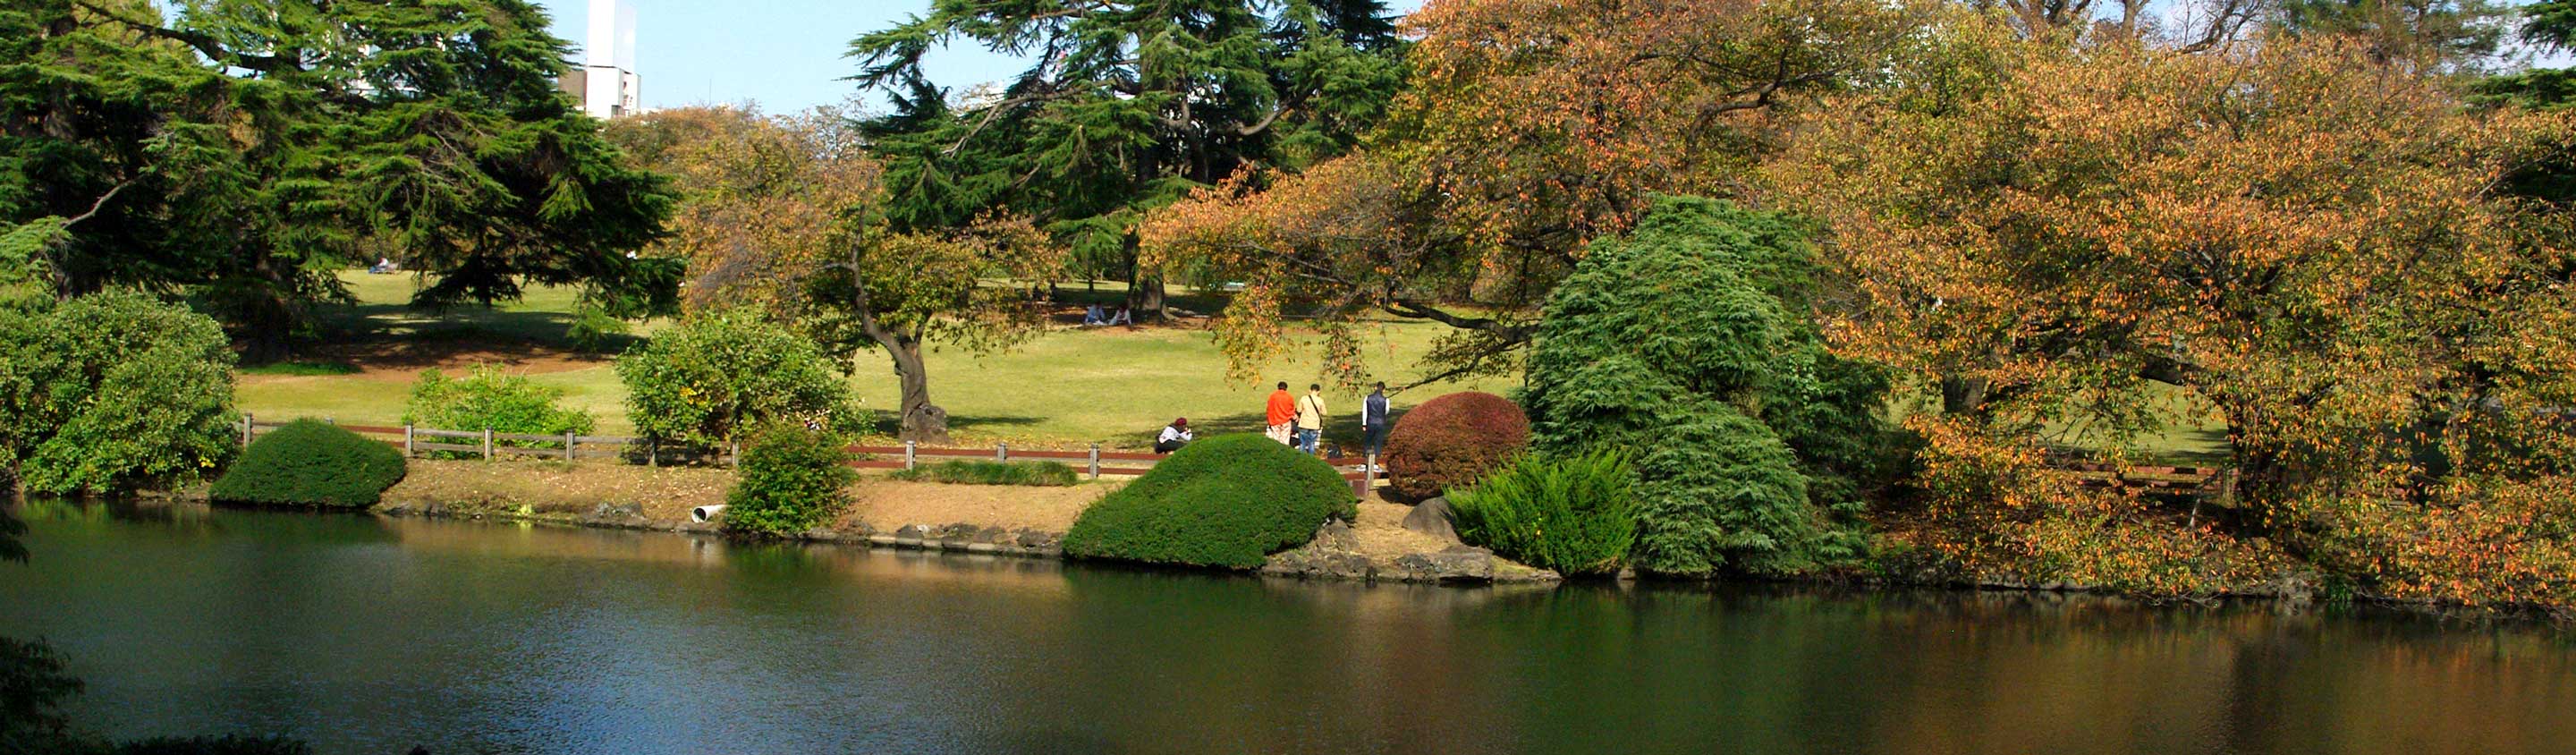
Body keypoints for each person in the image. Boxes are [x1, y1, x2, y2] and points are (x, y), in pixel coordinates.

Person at [1361, 382, 1391, 471]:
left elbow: (1365, 411)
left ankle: (1365, 462)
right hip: (1380, 423)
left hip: (1370, 422)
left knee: (1368, 442)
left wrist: (1364, 424)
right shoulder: (1386, 400)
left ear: (1375, 388)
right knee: (1378, 443)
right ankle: (1376, 463)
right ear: (1384, 389)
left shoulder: (1368, 398)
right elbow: (1386, 411)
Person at [1295, 383, 1327, 455]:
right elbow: (1324, 413)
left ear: (1310, 390)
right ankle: (1311, 458)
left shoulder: (1304, 398)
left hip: (1304, 423)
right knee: (1312, 443)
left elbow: (1299, 410)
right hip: (1314, 424)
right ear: (1318, 391)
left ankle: (1301, 458)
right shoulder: (1320, 400)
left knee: (1302, 443)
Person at [1265, 381, 1297, 445]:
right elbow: (1292, 409)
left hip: (1275, 421)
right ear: (1286, 388)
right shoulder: (1289, 397)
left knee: (1276, 440)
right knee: (1285, 440)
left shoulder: (1272, 396)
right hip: (1286, 421)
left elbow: (1269, 408)